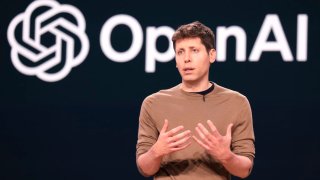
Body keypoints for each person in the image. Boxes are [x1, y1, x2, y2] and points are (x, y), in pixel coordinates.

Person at [136, 21, 255, 180]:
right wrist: (156, 152)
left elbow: (244, 170)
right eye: (180, 52)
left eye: (194, 51)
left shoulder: (236, 103)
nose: (187, 59)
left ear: (211, 55)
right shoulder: (153, 103)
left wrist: (226, 156)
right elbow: (145, 169)